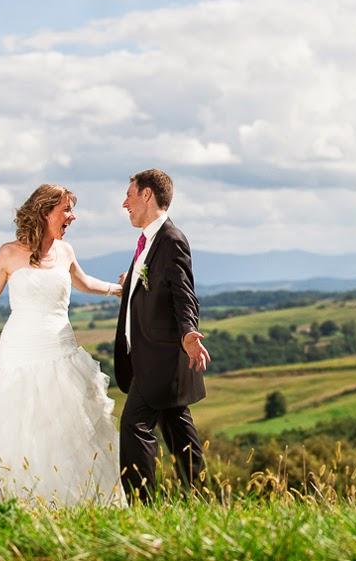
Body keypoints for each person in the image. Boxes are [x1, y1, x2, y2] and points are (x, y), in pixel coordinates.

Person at [0, 184, 125, 506]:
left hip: (62, 350)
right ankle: (14, 504)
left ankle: (73, 503)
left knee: (69, 428)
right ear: (45, 212)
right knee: (17, 427)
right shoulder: (7, 252)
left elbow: (84, 283)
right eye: (67, 209)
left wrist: (118, 289)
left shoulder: (66, 251)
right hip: (18, 350)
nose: (73, 216)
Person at [115, 169, 210, 504]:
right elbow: (160, 286)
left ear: (147, 195)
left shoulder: (170, 239)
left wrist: (188, 332)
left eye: (129, 194)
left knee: (134, 427)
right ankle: (201, 498)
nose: (124, 203)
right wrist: (131, 284)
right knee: (177, 428)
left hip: (162, 357)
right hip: (147, 357)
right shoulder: (149, 240)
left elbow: (184, 294)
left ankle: (143, 507)